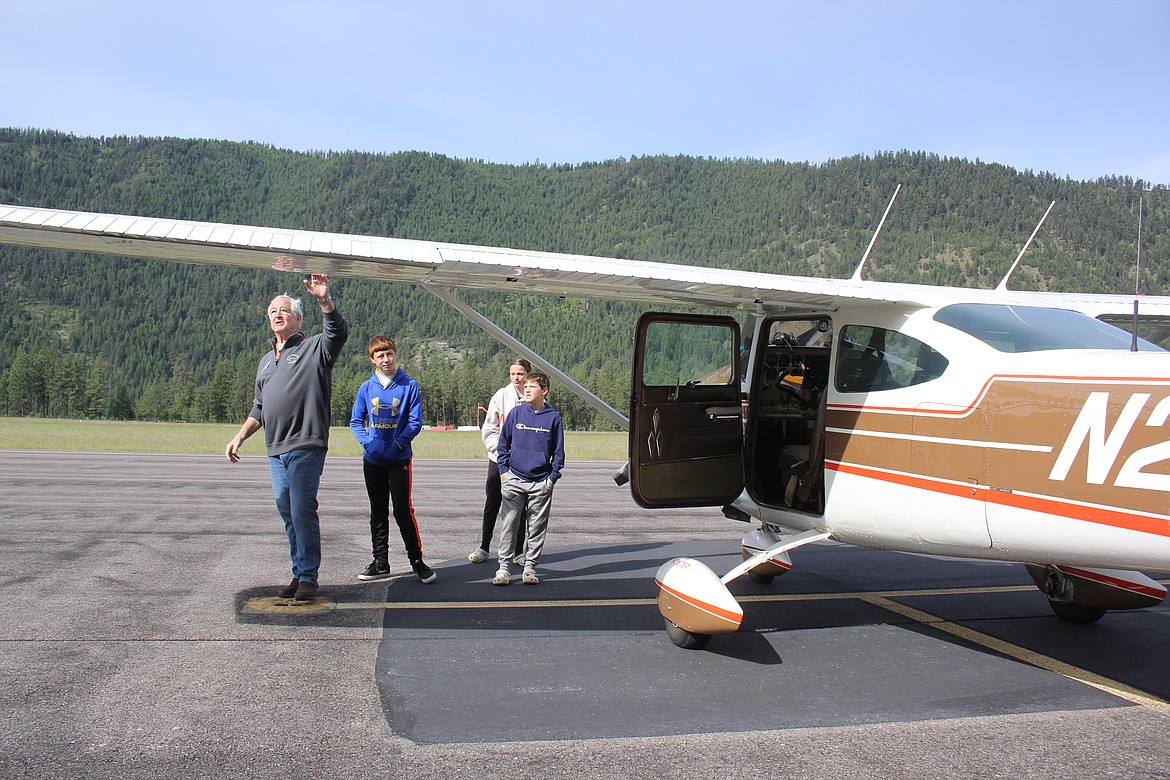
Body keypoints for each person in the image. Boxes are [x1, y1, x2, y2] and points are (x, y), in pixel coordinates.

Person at [225, 274, 349, 601]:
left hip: (305, 444)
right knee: (286, 509)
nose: (277, 315)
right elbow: (259, 407)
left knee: (301, 509)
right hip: (274, 449)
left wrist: (324, 299)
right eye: (271, 312)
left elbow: (338, 333)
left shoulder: (313, 349)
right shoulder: (266, 362)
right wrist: (239, 437)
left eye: (283, 310)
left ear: (297, 318)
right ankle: (299, 572)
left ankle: (308, 576)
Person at [349, 336, 436, 584]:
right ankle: (380, 562)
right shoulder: (367, 387)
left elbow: (415, 422)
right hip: (373, 459)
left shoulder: (409, 385)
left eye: (389, 354)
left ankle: (417, 561)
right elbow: (356, 421)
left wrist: (399, 443)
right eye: (380, 356)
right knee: (378, 511)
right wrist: (368, 443)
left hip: (399, 459)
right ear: (372, 360)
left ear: (396, 355)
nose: (386, 359)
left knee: (402, 510)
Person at [492, 371, 565, 586]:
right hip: (513, 478)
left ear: (544, 391)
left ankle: (530, 567)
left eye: (531, 386)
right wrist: (504, 472)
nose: (526, 389)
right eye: (525, 386)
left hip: (541, 482)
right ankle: (503, 568)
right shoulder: (516, 414)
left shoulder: (553, 418)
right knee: (509, 524)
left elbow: (558, 453)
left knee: (536, 526)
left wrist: (551, 478)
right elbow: (503, 444)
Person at [468, 356, 531, 564]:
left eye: (520, 374)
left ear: (528, 375)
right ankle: (484, 547)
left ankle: (519, 551)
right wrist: (500, 452)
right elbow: (490, 428)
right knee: (492, 502)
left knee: (520, 506)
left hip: (522, 463)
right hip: (498, 460)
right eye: (513, 373)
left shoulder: (535, 398)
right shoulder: (501, 396)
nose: (516, 377)